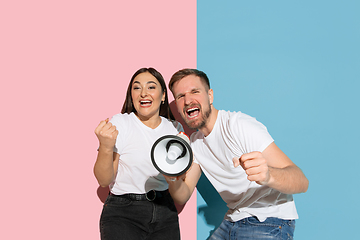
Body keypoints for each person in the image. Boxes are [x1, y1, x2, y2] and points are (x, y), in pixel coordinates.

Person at [167, 68, 309, 240]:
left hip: (268, 218)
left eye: (194, 92)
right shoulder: (195, 143)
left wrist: (269, 176)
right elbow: (183, 194)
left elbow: (302, 181)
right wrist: (172, 178)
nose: (188, 100)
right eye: (180, 96)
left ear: (210, 96)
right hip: (232, 220)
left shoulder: (238, 125)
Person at [94, 67, 184, 240]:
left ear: (163, 95)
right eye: (137, 87)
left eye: (151, 87)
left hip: (165, 210)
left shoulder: (174, 129)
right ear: (131, 95)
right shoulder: (120, 123)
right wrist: (105, 146)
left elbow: (179, 179)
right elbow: (103, 180)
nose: (143, 93)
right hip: (123, 212)